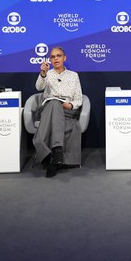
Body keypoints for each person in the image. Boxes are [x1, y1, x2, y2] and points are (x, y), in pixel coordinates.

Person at [32, 46, 83, 178]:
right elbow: (39, 87)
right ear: (50, 60)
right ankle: (57, 150)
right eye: (53, 57)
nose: (55, 59)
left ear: (64, 58)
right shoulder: (47, 74)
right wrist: (43, 73)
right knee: (54, 102)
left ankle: (50, 158)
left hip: (66, 110)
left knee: (58, 106)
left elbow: (78, 99)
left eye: (58, 56)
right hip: (48, 108)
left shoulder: (73, 76)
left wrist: (70, 105)